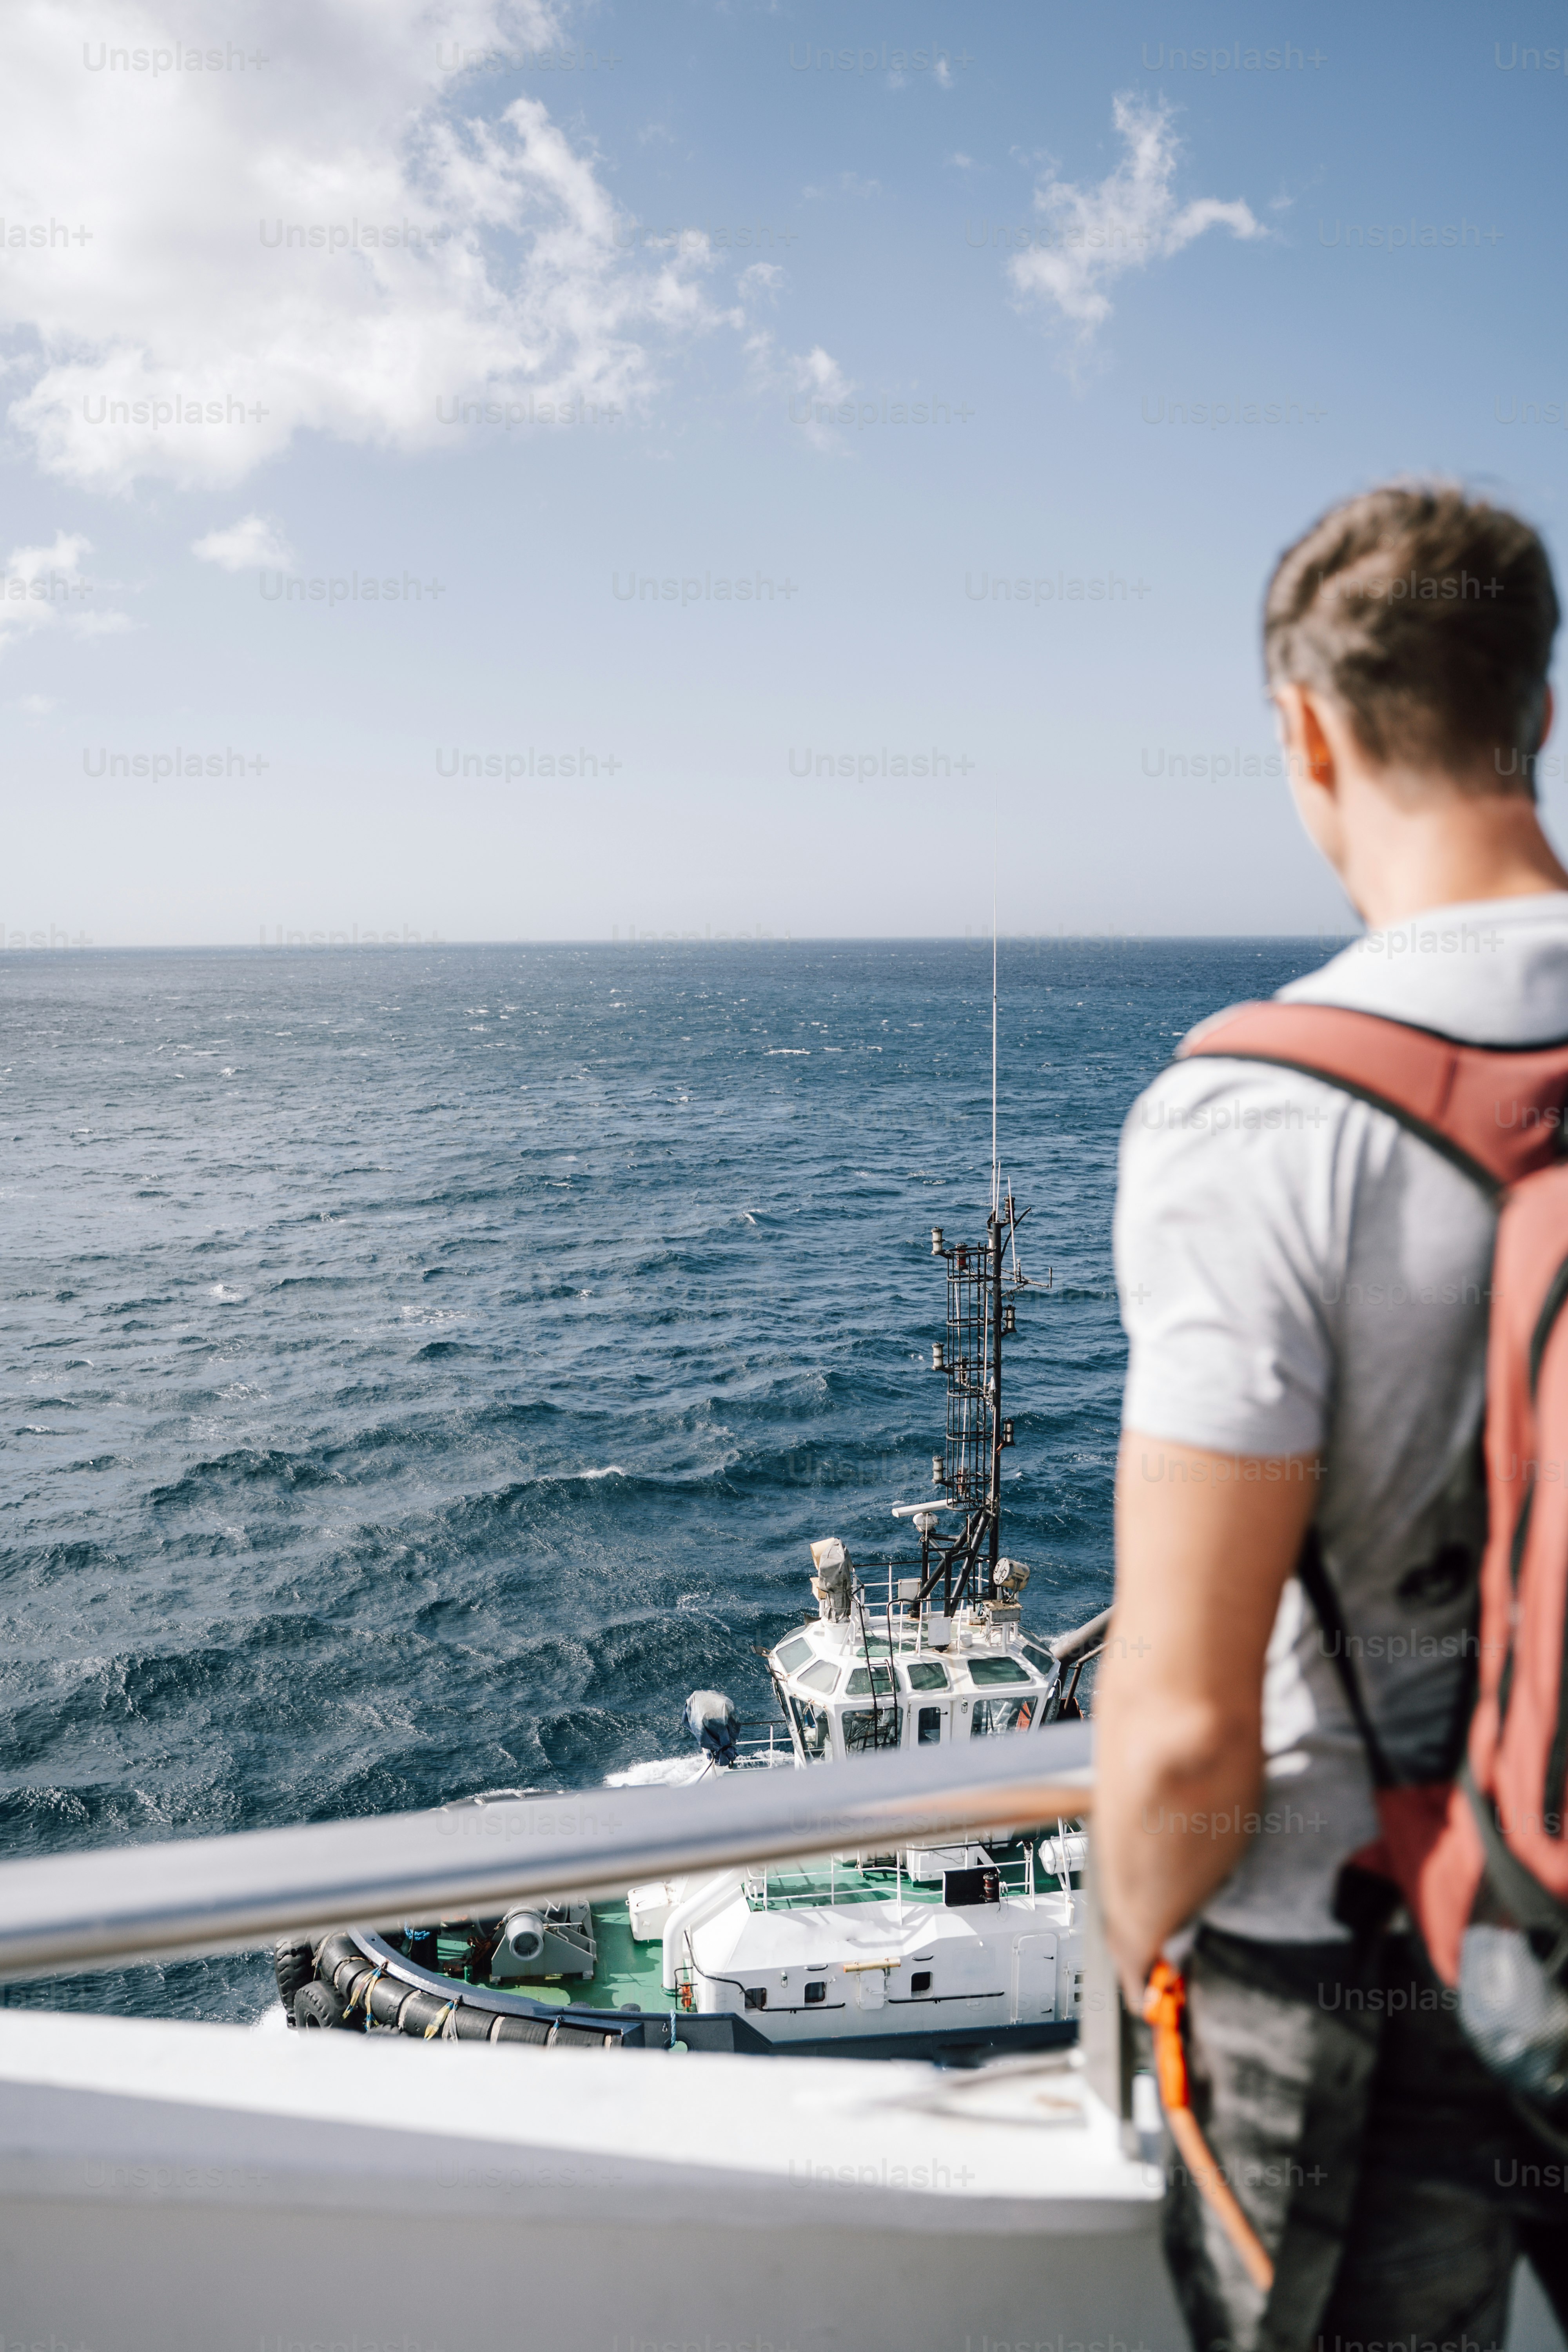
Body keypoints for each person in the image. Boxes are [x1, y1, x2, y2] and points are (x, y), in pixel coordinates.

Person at [1096, 483, 1568, 2352]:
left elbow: (1189, 1730)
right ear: (1536, 710)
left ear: (1304, 728)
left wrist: (1119, 1974)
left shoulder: (1262, 1117)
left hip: (1351, 1976)